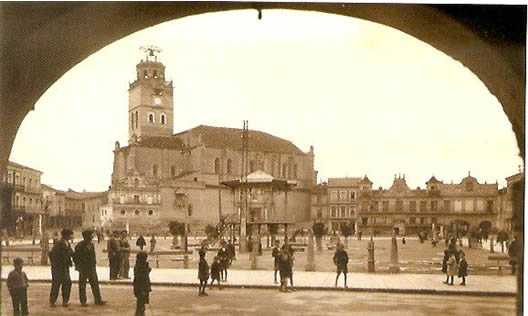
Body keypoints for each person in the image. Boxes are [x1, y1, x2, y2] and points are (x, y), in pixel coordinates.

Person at [74, 230, 106, 307]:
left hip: (91, 267)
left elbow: (93, 256)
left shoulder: (91, 244)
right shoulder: (80, 246)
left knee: (95, 284)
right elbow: (76, 257)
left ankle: (98, 299)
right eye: (91, 235)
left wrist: (94, 264)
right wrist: (78, 267)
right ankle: (83, 301)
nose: (92, 236)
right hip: (83, 268)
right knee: (82, 285)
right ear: (86, 236)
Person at [49, 228, 74, 307]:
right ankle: (53, 301)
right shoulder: (59, 243)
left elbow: (70, 253)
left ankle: (65, 300)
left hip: (64, 267)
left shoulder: (66, 243)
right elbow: (52, 254)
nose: (71, 236)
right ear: (66, 235)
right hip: (58, 267)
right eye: (70, 235)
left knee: (66, 283)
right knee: (57, 284)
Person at [134, 251, 152, 316]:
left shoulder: (139, 265)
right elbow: (141, 278)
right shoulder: (141, 266)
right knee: (141, 304)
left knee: (141, 304)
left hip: (141, 287)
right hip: (142, 287)